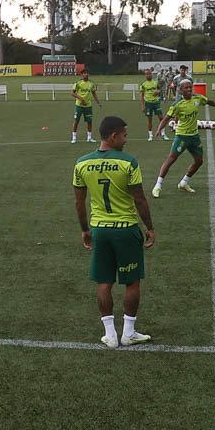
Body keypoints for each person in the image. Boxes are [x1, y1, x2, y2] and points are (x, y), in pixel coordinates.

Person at [73, 115, 157, 348]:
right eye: (124, 135)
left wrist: (85, 230)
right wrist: (149, 227)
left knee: (104, 281)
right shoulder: (128, 162)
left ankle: (110, 335)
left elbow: (80, 203)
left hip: (100, 230)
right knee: (131, 282)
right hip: (126, 229)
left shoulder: (81, 163)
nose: (126, 140)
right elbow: (139, 199)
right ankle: (128, 332)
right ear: (113, 136)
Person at [152, 79, 215, 196]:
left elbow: (209, 102)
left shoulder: (197, 98)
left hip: (194, 136)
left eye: (190, 87)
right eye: (186, 88)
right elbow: (166, 118)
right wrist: (159, 129)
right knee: (171, 159)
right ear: (181, 89)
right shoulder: (177, 104)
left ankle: (184, 183)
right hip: (182, 136)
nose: (189, 89)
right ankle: (158, 186)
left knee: (199, 161)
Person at [70, 69, 102, 144]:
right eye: (84, 73)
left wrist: (98, 102)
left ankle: (89, 137)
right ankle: (74, 137)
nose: (86, 74)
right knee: (76, 121)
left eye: (87, 73)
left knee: (89, 121)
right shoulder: (78, 83)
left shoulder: (91, 84)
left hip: (88, 106)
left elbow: (94, 93)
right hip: (79, 105)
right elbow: (72, 93)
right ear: (81, 75)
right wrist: (80, 99)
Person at [140, 70, 165, 141]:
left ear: (151, 74)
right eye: (146, 74)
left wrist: (158, 92)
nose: (148, 75)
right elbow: (141, 95)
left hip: (156, 102)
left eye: (149, 74)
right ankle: (150, 135)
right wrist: (142, 106)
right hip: (148, 103)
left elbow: (160, 90)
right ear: (145, 75)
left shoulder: (155, 82)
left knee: (161, 118)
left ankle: (163, 134)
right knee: (149, 120)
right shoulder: (143, 84)